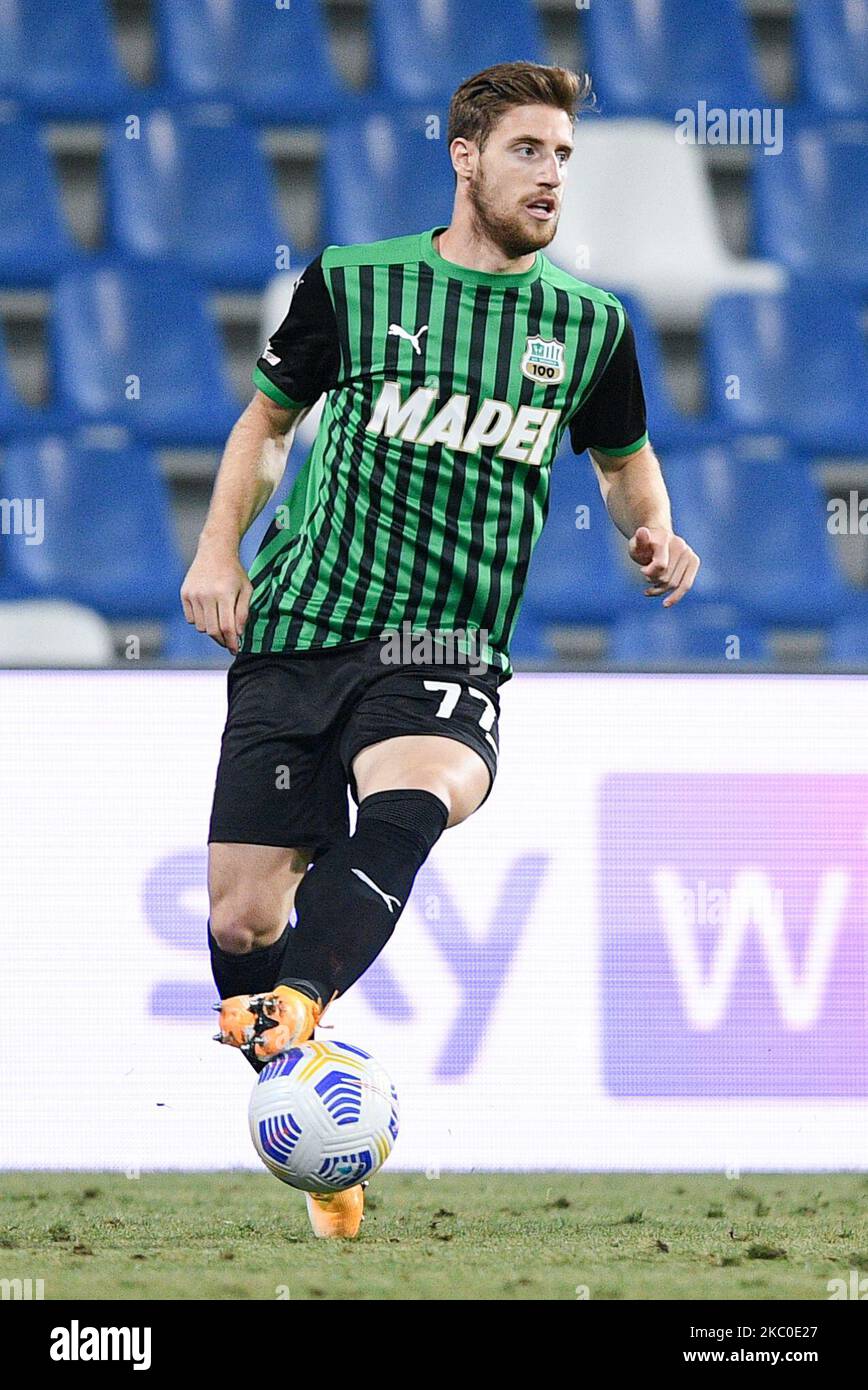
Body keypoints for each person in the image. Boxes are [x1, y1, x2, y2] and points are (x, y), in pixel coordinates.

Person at [180, 61, 700, 1237]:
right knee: (240, 922)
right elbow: (265, 425)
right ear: (464, 157)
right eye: (528, 151)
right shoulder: (357, 284)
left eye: (564, 156)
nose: (551, 175)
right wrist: (221, 552)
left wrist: (655, 531)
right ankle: (318, 1137)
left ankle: (300, 1008)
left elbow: (623, 465)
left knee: (416, 798)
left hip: (445, 641)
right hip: (301, 626)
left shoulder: (589, 322)